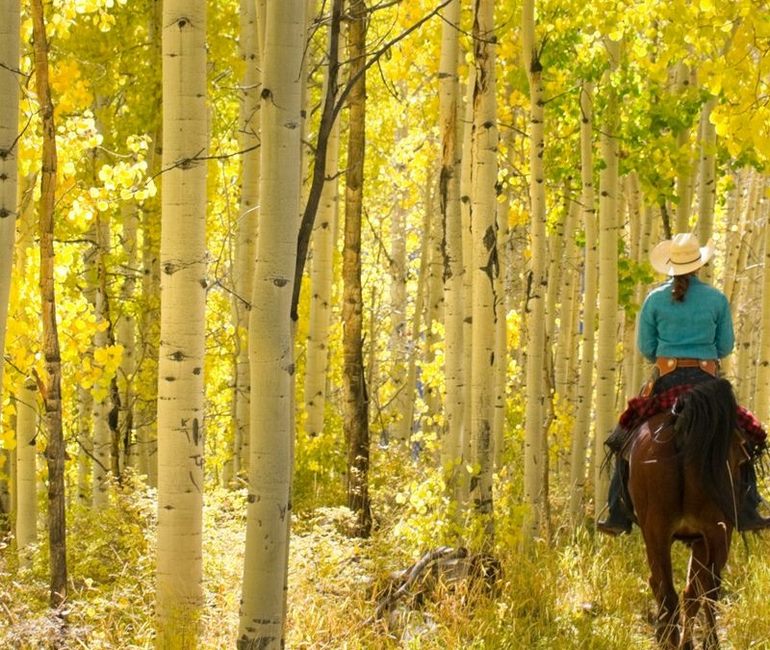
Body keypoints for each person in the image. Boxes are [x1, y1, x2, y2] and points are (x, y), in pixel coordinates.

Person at [597, 232, 770, 536]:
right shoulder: (716, 299)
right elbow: (725, 345)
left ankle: (618, 512)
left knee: (623, 438)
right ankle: (748, 507)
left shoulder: (653, 301)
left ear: (669, 265)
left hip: (666, 380)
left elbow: (647, 348)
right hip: (707, 382)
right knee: (743, 437)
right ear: (699, 265)